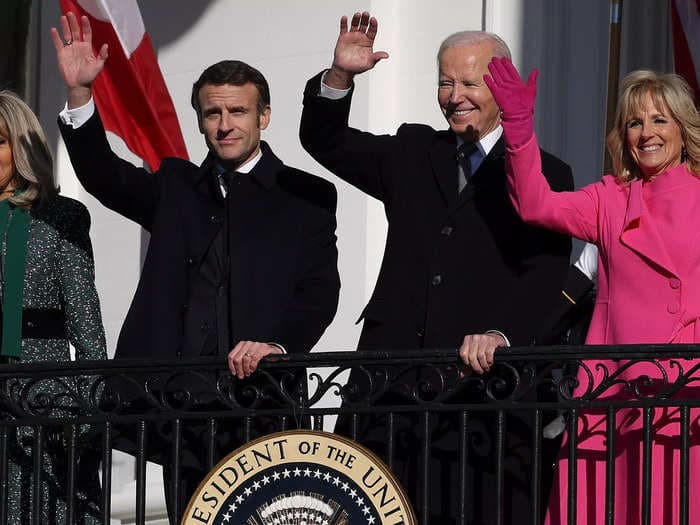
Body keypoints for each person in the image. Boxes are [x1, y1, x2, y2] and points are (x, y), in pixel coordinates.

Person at [52, 12, 340, 522]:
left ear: (263, 116)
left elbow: (319, 292)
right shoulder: (176, 187)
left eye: (238, 111)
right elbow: (103, 175)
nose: (225, 125)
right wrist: (80, 96)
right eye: (212, 113)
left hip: (263, 401)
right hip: (181, 406)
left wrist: (279, 346)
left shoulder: (307, 196)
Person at [300, 12, 573, 524]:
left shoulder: (544, 173)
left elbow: (545, 273)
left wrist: (502, 333)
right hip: (390, 392)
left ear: (503, 86)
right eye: (445, 82)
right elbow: (326, 142)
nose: (454, 95)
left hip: (484, 398)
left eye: (469, 82)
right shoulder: (411, 151)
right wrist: (340, 77)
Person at [482, 58, 700, 524]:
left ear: (684, 130)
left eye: (660, 120)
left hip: (684, 386)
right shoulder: (609, 199)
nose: (647, 133)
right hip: (613, 387)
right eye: (634, 122)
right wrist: (519, 126)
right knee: (610, 507)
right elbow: (535, 204)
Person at [0, 91, 107, 523]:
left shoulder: (60, 217)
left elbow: (87, 326)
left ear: (21, 147)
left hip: (42, 412)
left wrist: (90, 418)